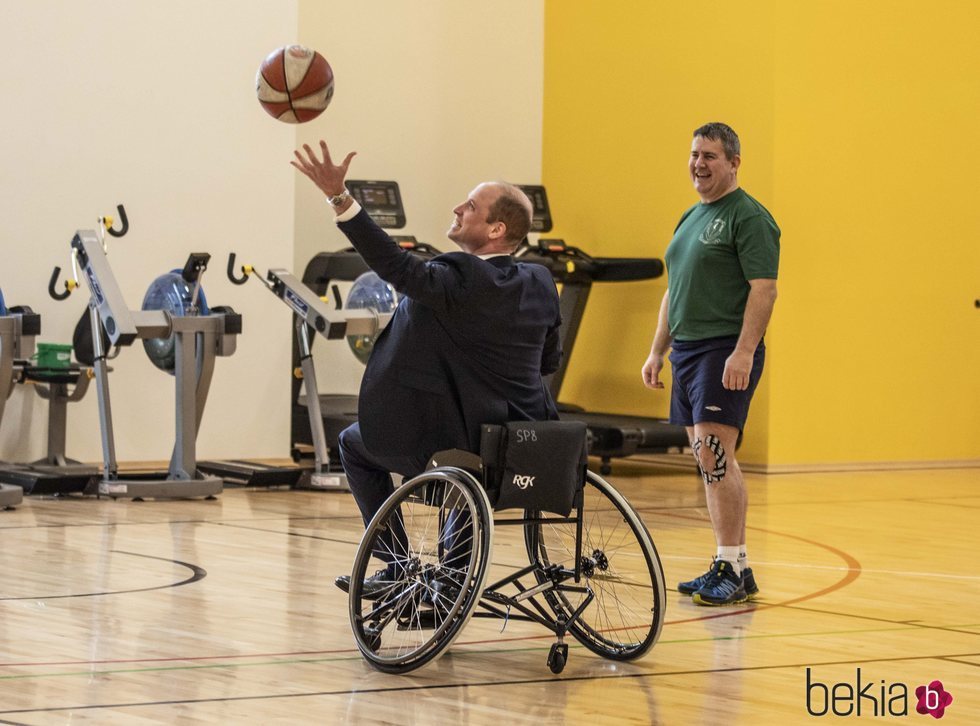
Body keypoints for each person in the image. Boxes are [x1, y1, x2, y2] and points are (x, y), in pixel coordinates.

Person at [292, 141, 562, 599]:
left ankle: (397, 564)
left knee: (354, 444)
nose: (458, 207)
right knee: (464, 450)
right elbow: (547, 362)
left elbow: (393, 264)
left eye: (471, 206)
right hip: (525, 446)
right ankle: (447, 586)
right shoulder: (538, 281)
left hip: (457, 446)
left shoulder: (460, 279)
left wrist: (340, 197)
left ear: (496, 228)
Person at [641, 122, 779, 606]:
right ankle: (735, 565)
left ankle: (729, 564)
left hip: (724, 348)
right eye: (694, 154)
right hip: (689, 351)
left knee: (714, 458)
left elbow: (764, 289)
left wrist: (744, 350)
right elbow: (674, 291)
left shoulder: (749, 217)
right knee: (709, 462)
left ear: (734, 162)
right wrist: (658, 349)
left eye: (710, 156)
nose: (699, 164)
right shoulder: (689, 217)